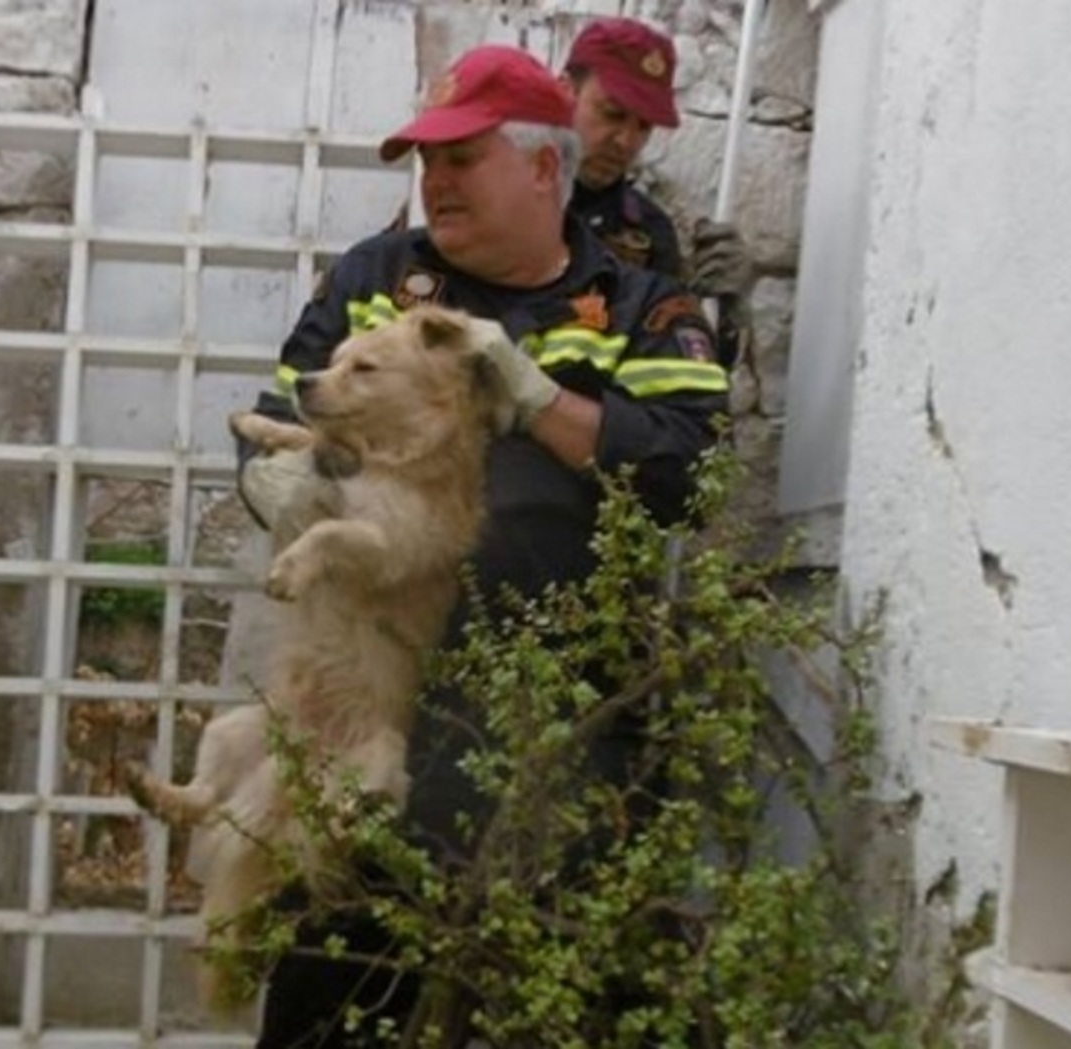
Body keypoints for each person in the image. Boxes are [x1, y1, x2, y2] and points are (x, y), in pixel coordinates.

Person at [236, 43, 730, 1049]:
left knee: (550, 994)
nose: (436, 180)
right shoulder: (379, 277)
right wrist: (278, 484)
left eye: (464, 158)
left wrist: (542, 399)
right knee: (340, 976)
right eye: (428, 160)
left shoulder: (638, 304)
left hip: (557, 721)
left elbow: (687, 472)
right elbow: (280, 406)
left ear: (545, 168)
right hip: (380, 691)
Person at [561, 16, 756, 366]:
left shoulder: (649, 232)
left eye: (644, 126)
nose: (626, 141)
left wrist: (729, 314)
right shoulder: (503, 196)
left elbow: (687, 377)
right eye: (612, 114)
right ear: (566, 92)